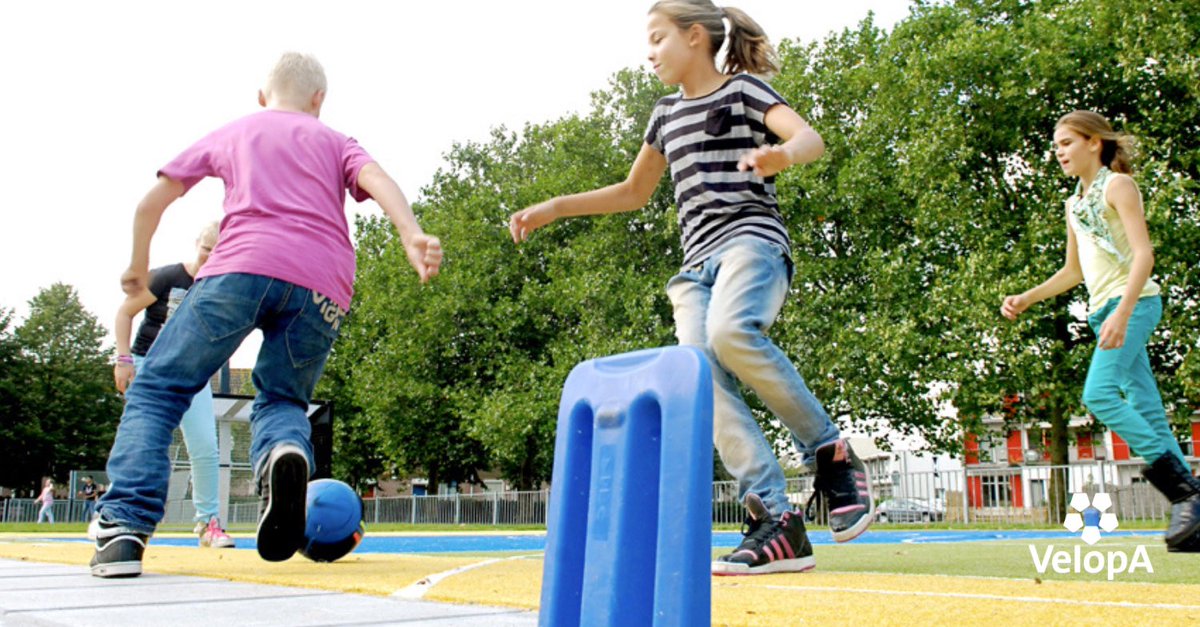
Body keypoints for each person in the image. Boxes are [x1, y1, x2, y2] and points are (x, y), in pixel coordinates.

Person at [509, 0, 872, 575]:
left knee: (731, 334)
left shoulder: (745, 92)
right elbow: (634, 191)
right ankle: (777, 520)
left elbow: (810, 139)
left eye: (657, 39)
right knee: (699, 373)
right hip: (695, 266)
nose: (648, 52)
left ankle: (830, 453)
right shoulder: (664, 115)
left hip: (751, 243)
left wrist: (780, 155)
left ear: (695, 36)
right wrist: (556, 207)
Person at [89, 52, 443, 578]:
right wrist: (411, 233)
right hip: (324, 284)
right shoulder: (338, 141)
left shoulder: (239, 130)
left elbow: (151, 202)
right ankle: (281, 450)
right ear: (319, 99)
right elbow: (378, 179)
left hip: (242, 268)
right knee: (282, 399)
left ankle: (122, 529)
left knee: (158, 387)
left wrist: (138, 268)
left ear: (262, 96)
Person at [1001, 110, 1200, 552]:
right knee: (1147, 407)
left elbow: (1143, 256)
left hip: (1134, 304)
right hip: (1102, 311)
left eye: (1067, 143)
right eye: (1056, 147)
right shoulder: (1074, 204)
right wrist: (1027, 297)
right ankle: (1194, 511)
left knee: (1100, 394)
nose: (1060, 153)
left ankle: (1186, 492)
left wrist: (1123, 314)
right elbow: (1073, 271)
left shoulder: (1118, 186)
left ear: (1094, 143)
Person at [113, 222, 234, 548]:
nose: (211, 256)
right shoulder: (167, 277)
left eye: (219, 251)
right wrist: (123, 360)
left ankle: (208, 523)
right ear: (197, 243)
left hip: (191, 372)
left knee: (206, 446)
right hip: (148, 366)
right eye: (207, 248)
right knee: (141, 440)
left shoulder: (222, 289)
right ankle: (120, 515)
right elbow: (125, 313)